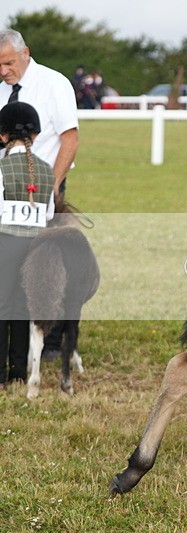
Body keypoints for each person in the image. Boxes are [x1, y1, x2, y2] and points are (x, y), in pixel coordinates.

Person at [0, 29, 79, 362]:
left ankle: (53, 342)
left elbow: (70, 140)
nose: (3, 71)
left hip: (45, 186)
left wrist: (51, 189)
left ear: (25, 53)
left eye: (8, 63)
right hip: (6, 191)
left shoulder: (54, 83)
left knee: (50, 267)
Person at [0, 102, 56, 389]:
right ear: (34, 136)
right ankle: (18, 373)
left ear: (2, 135)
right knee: (23, 308)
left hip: (5, 244)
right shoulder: (47, 171)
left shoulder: (1, 167)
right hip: (36, 246)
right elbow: (47, 215)